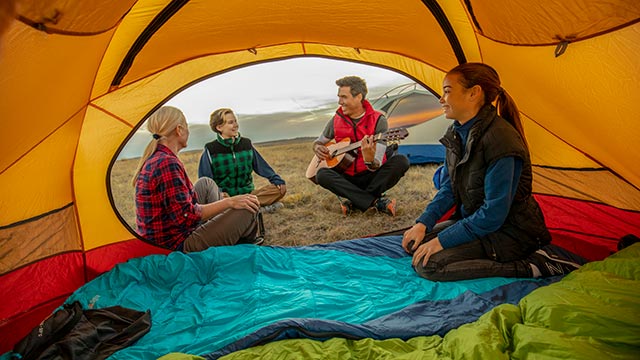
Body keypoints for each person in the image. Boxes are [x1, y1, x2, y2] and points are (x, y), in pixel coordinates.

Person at [402, 63, 586, 281]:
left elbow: (493, 213)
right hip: (478, 224)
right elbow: (450, 188)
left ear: (474, 93)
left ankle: (534, 265)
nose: (441, 99)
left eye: (447, 91)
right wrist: (423, 223)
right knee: (416, 244)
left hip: (511, 232)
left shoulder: (500, 140)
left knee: (429, 265)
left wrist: (440, 241)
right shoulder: (456, 133)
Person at [133, 106, 263, 252]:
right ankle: (240, 248)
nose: (188, 131)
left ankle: (223, 229)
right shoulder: (166, 163)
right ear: (179, 129)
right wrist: (229, 202)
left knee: (206, 183)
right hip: (175, 245)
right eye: (187, 127)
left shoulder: (160, 157)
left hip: (172, 233)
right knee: (247, 208)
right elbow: (187, 217)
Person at [312, 76, 410, 216]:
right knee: (321, 174)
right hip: (347, 178)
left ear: (358, 97)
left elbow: (377, 160)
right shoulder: (335, 120)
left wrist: (370, 161)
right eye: (339, 97)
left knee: (401, 161)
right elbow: (318, 142)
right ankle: (375, 202)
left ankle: (356, 200)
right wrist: (317, 148)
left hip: (372, 176)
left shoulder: (378, 120)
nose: (340, 102)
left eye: (344, 97)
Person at [198, 108, 286, 213]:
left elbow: (262, 166)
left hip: (248, 194)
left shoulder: (246, 144)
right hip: (226, 198)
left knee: (278, 189)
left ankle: (244, 208)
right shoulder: (210, 150)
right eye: (231, 122)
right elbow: (206, 181)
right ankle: (256, 208)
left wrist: (276, 180)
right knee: (217, 200)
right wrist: (219, 193)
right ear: (219, 127)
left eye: (235, 121)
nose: (235, 125)